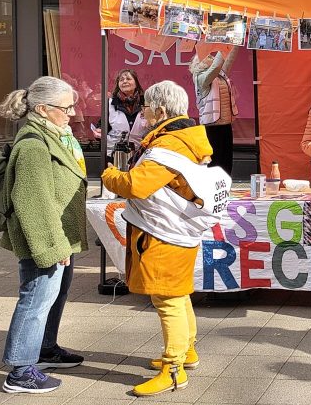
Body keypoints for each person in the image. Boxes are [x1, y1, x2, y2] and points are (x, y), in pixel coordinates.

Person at [101, 80, 230, 398]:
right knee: (178, 294)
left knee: (167, 299)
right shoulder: (186, 138)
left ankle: (173, 371)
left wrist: (109, 175)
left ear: (159, 110)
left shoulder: (168, 145)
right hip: (177, 231)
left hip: (163, 234)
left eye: (145, 108)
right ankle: (187, 352)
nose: (143, 114)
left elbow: (136, 186)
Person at [0, 76, 89, 394]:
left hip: (60, 235)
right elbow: (34, 201)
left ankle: (45, 348)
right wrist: (52, 245)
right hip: (45, 239)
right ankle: (20, 371)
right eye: (66, 107)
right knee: (36, 299)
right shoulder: (34, 145)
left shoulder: (52, 136)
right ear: (43, 109)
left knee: (54, 296)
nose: (72, 113)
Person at [190, 47, 238, 175]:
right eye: (207, 56)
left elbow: (228, 60)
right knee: (214, 161)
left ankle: (225, 187)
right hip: (211, 126)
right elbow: (216, 66)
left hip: (225, 124)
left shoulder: (219, 75)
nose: (210, 57)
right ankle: (211, 189)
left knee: (226, 160)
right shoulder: (200, 78)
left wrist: (234, 42)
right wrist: (223, 45)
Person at [96, 69, 146, 163]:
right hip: (114, 155)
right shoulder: (110, 103)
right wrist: (99, 131)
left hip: (140, 155)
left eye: (128, 79)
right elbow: (102, 126)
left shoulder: (146, 103)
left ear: (136, 83)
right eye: (121, 80)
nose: (125, 81)